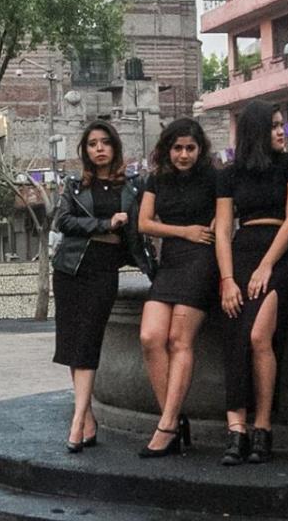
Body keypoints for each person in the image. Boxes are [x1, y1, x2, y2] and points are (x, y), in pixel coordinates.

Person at [51, 121, 153, 453]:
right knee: (72, 344)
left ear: (115, 147)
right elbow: (63, 222)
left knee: (89, 340)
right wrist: (105, 224)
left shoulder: (134, 186)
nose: (99, 148)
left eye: (105, 142)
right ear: (85, 150)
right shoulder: (74, 185)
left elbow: (138, 233)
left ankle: (77, 419)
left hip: (103, 271)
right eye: (92, 143)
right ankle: (86, 418)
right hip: (71, 269)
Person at [214, 100, 288, 466]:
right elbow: (222, 229)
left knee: (258, 337)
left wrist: (267, 265)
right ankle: (236, 428)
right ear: (255, 132)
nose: (282, 131)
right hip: (239, 253)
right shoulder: (229, 174)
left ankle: (263, 426)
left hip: (277, 254)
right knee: (235, 338)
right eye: (273, 126)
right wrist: (226, 279)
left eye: (282, 125)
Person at [136, 118, 219, 458]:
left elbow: (221, 220)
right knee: (150, 337)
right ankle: (173, 418)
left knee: (178, 340)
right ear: (167, 150)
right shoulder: (157, 179)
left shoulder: (215, 178)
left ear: (200, 150)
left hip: (202, 261)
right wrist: (184, 231)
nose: (184, 155)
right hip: (170, 262)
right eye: (177, 148)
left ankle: (167, 424)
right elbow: (144, 223)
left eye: (190, 148)